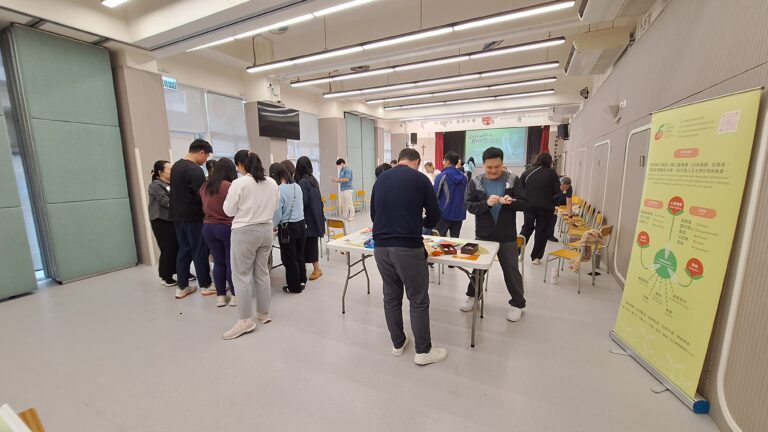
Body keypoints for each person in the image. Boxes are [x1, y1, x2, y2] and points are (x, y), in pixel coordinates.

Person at [371, 148, 447, 366]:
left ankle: (398, 343)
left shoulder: (381, 179)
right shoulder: (420, 179)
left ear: (400, 160)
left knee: (391, 296)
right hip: (407, 247)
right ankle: (423, 351)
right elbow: (435, 214)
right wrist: (420, 224)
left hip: (381, 247)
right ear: (417, 162)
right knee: (418, 299)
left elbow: (374, 215)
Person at [464, 147, 528, 322]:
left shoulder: (513, 180)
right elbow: (469, 206)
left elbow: (524, 203)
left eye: (497, 167)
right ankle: (473, 296)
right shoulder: (476, 181)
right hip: (484, 234)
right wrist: (486, 204)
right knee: (478, 269)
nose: (493, 170)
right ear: (483, 165)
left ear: (502, 164)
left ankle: (518, 304)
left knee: (511, 270)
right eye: (489, 167)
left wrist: (511, 202)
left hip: (507, 235)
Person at [222, 153, 280, 340]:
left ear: (240, 165)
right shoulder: (272, 182)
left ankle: (245, 320)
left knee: (241, 276)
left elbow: (228, 210)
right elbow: (275, 205)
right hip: (266, 230)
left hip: (244, 231)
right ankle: (264, 313)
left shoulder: (239, 183)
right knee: (262, 272)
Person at [169, 139, 214, 299]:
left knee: (184, 250)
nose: (206, 160)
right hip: (194, 216)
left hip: (178, 216)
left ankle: (182, 286)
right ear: (201, 152)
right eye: (206, 156)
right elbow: (201, 195)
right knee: (200, 250)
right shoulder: (195, 170)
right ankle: (206, 285)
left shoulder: (176, 166)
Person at [200, 158, 238, 307]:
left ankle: (221, 296)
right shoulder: (229, 186)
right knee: (231, 262)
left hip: (208, 227)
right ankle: (234, 296)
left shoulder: (205, 185)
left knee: (218, 262)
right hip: (226, 227)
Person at [270, 163, 307, 294]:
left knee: (289, 258)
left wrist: (273, 225)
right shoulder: (297, 186)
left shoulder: (280, 189)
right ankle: (302, 280)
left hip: (288, 228)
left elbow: (278, 213)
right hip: (301, 224)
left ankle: (294, 287)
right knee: (299, 254)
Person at [519, 152, 561, 264]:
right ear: (549, 161)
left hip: (528, 206)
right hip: (546, 208)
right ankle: (536, 257)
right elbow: (557, 191)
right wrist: (554, 203)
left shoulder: (527, 172)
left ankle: (516, 251)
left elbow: (520, 189)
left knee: (526, 228)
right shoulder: (552, 173)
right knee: (541, 231)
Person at [148, 160, 178, 286]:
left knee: (177, 247)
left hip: (172, 220)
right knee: (167, 248)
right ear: (160, 172)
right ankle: (165, 276)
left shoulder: (172, 183)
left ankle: (180, 271)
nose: (172, 171)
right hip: (161, 221)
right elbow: (164, 201)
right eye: (170, 169)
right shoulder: (155, 185)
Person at [295, 156, 325, 281]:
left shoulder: (303, 182)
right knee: (312, 244)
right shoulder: (313, 180)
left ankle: (317, 269)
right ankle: (316, 268)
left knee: (309, 245)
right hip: (316, 217)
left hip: (308, 218)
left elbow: (304, 201)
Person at [432, 151, 467, 238]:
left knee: (439, 240)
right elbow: (466, 195)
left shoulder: (442, 176)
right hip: (459, 214)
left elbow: (434, 196)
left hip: (444, 214)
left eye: (444, 161)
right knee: (455, 240)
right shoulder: (464, 178)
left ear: (447, 161)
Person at [548, 176, 574, 242]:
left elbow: (569, 202)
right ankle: (543, 234)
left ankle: (550, 235)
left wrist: (570, 217)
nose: (565, 189)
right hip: (548, 200)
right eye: (564, 187)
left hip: (557, 202)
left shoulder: (569, 188)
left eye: (567, 188)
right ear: (562, 184)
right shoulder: (553, 185)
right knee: (545, 218)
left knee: (554, 218)